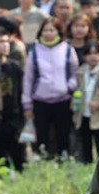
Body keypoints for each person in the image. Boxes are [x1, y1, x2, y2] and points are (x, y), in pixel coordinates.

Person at [22, 17, 78, 159]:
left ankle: (64, 157)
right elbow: (28, 79)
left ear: (58, 32)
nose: (48, 33)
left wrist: (69, 86)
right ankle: (42, 158)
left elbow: (74, 72)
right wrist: (27, 104)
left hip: (63, 99)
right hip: (41, 99)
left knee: (63, 133)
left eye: (52, 30)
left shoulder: (67, 49)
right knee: (42, 134)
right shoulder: (34, 51)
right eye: (45, 30)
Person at [0, 28, 26, 172]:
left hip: (14, 118)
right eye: (1, 42)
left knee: (19, 161)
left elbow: (21, 91)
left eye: (7, 42)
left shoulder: (14, 66)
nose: (5, 45)